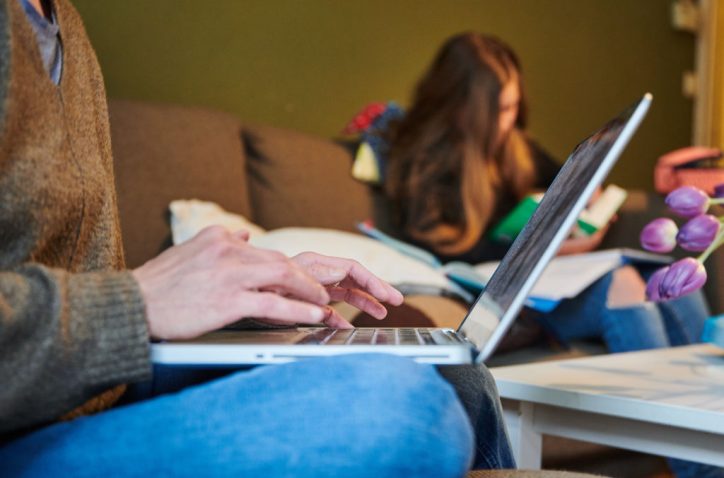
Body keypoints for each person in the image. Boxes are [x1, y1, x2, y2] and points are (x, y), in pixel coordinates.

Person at [0, 1, 515, 475]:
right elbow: (115, 308)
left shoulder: (63, 21)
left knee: (455, 376)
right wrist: (134, 301)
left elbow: (82, 291)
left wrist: (252, 297)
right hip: (22, 429)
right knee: (403, 405)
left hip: (84, 387)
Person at [360, 31, 719, 478]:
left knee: (662, 273)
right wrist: (533, 244)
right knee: (625, 285)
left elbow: (569, 185)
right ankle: (702, 470)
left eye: (514, 105)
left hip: (547, 279)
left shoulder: (516, 148)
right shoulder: (424, 159)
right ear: (463, 106)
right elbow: (445, 248)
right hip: (490, 289)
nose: (511, 120)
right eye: (501, 109)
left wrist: (587, 209)